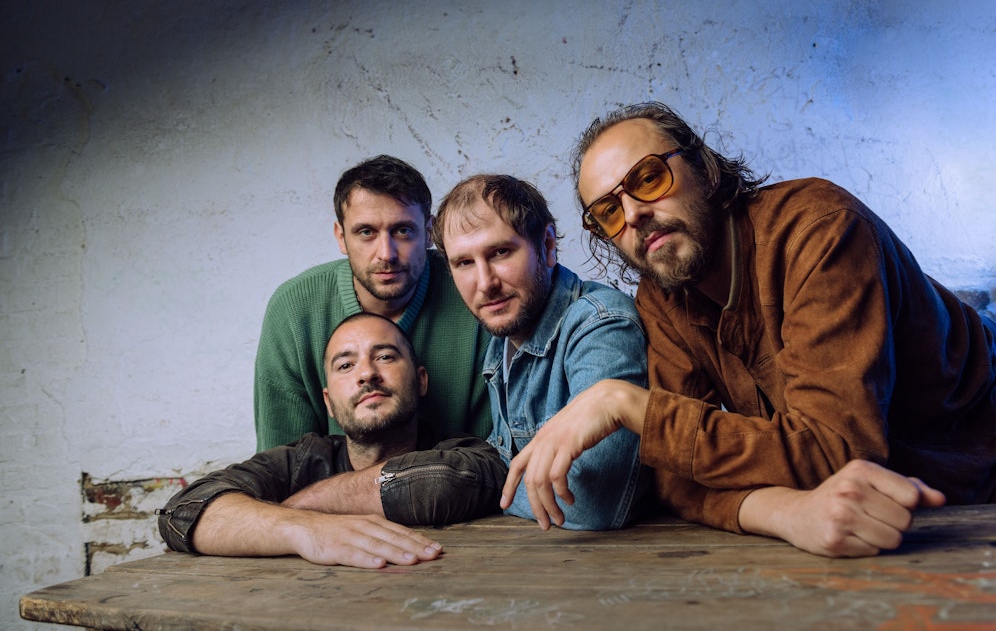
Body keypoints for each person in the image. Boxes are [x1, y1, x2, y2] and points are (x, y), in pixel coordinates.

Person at [502, 101, 996, 557]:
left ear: (704, 166)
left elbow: (837, 450)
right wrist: (786, 512)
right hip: (877, 516)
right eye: (608, 212)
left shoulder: (821, 229)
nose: (633, 215)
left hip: (967, 487)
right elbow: (676, 479)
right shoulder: (662, 294)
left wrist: (626, 403)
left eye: (648, 178)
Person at [158, 312, 507, 568]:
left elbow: (444, 480)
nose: (367, 373)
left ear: (421, 381)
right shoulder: (301, 460)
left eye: (385, 356)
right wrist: (306, 529)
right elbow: (183, 512)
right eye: (345, 366)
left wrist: (294, 508)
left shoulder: (465, 452)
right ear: (328, 403)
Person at [431, 174, 649, 530]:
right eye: (464, 263)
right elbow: (508, 456)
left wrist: (486, 489)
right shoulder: (504, 335)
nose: (485, 283)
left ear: (547, 245)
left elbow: (589, 501)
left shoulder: (601, 325)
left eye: (500, 252)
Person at [254, 155, 491, 450]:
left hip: (463, 478)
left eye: (403, 231)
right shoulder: (293, 311)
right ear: (341, 237)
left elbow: (494, 456)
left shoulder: (474, 289)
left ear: (430, 232)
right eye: (366, 232)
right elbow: (282, 463)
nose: (386, 254)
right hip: (333, 481)